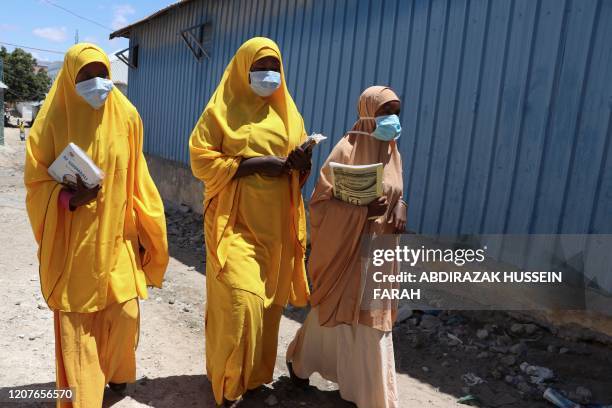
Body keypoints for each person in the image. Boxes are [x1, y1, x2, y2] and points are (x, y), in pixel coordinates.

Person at [24, 43, 169, 407]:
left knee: (124, 312)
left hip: (119, 237)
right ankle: (83, 396)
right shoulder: (52, 121)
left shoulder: (128, 116)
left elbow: (138, 176)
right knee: (78, 326)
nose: (96, 83)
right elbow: (36, 182)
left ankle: (117, 373)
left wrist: (150, 230)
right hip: (75, 242)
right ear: (70, 79)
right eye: (85, 76)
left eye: (101, 74)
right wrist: (67, 199)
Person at [189, 37, 312, 406]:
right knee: (242, 301)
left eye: (273, 67)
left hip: (275, 227)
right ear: (243, 69)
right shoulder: (220, 112)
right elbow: (200, 159)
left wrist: (299, 166)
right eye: (260, 68)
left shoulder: (289, 114)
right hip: (234, 224)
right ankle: (228, 383)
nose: (267, 75)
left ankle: (254, 376)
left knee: (269, 307)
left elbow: (297, 168)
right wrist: (253, 164)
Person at [286, 86, 407, 408]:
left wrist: (400, 206)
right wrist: (361, 212)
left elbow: (395, 189)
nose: (392, 119)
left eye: (396, 112)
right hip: (347, 252)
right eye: (385, 112)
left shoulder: (392, 149)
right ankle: (369, 396)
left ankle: (308, 365)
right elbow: (320, 205)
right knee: (340, 310)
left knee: (367, 319)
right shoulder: (345, 149)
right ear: (368, 112)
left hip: (380, 252)